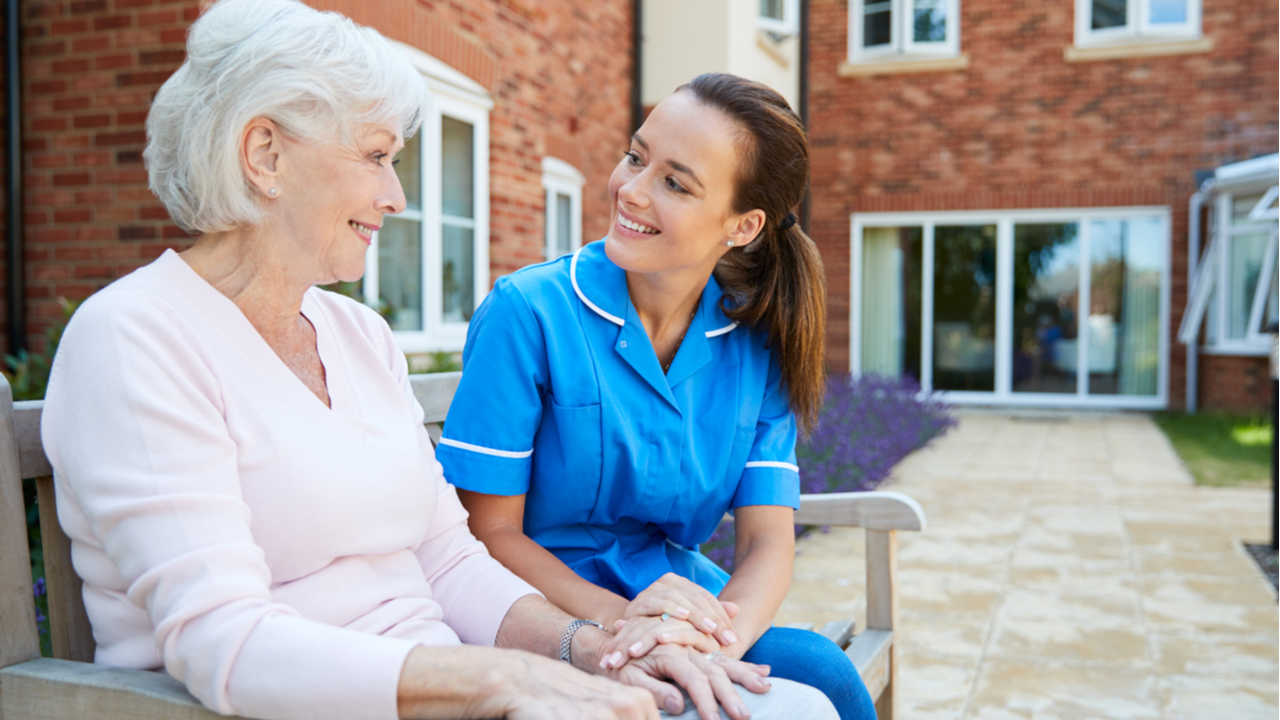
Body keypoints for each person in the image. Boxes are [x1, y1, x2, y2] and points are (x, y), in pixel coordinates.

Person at [39, 3, 838, 719]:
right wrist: (499, 680)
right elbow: (225, 642)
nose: (396, 195)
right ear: (265, 155)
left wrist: (595, 650)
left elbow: (451, 558)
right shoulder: (136, 337)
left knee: (798, 706)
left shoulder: (356, 334)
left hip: (448, 680)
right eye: (377, 156)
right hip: (336, 699)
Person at [439, 73, 877, 720]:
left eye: (675, 183)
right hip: (540, 620)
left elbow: (766, 544)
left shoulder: (755, 346)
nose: (631, 191)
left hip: (680, 613)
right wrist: (630, 629)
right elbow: (487, 531)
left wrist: (706, 638)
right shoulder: (527, 314)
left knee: (825, 674)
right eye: (636, 157)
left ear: (744, 225)